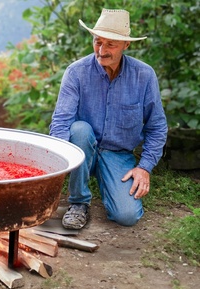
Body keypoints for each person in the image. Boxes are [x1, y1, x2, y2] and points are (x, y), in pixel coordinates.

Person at [49, 9, 168, 229]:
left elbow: (157, 126)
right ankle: (79, 202)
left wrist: (145, 167)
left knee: (127, 216)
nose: (101, 51)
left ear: (126, 45)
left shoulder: (144, 75)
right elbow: (61, 123)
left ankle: (108, 182)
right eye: (97, 42)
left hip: (118, 154)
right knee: (80, 130)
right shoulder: (76, 72)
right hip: (82, 150)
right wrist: (54, 168)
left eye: (110, 44)